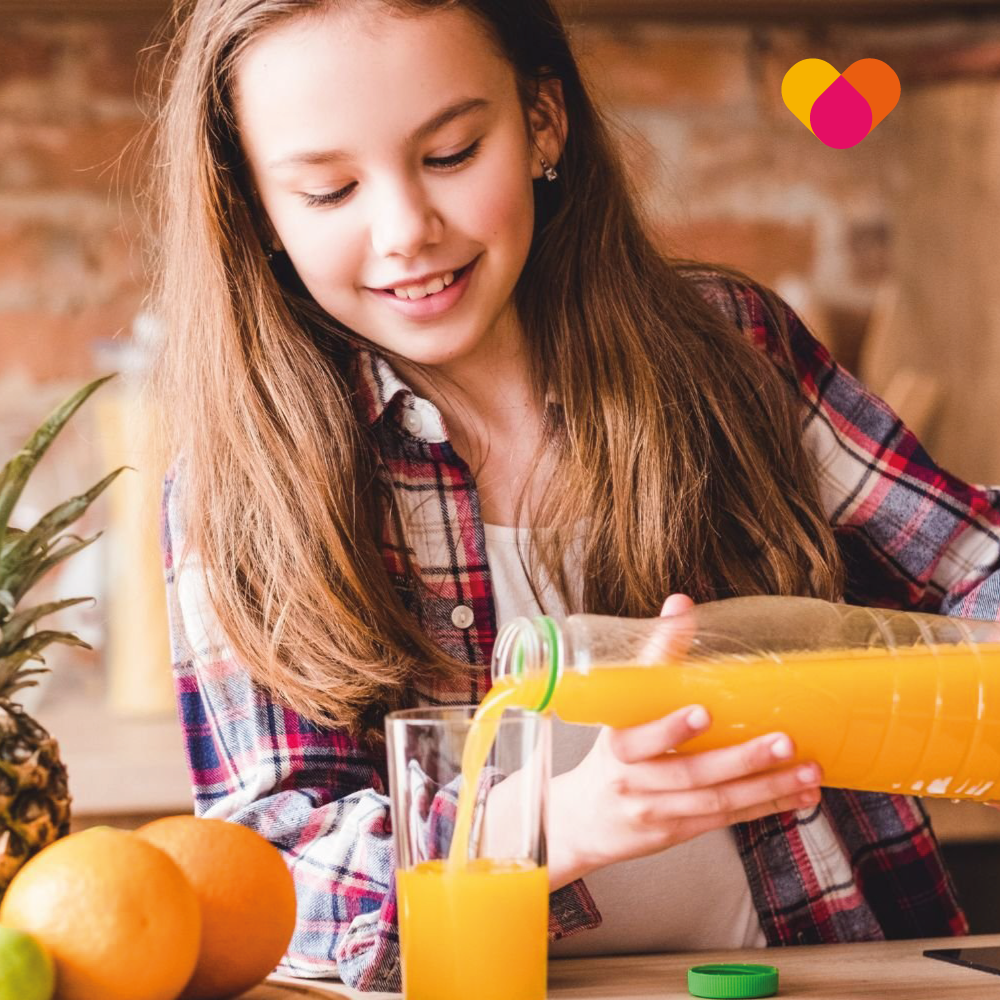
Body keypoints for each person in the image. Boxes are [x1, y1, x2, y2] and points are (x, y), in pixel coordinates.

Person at [147, 0, 1000, 990]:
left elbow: (976, 559)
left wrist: (908, 693)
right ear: (255, 208)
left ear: (543, 123)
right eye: (330, 190)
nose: (405, 232)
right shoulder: (245, 485)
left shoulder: (728, 351)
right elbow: (269, 870)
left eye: (452, 153)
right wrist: (555, 820)